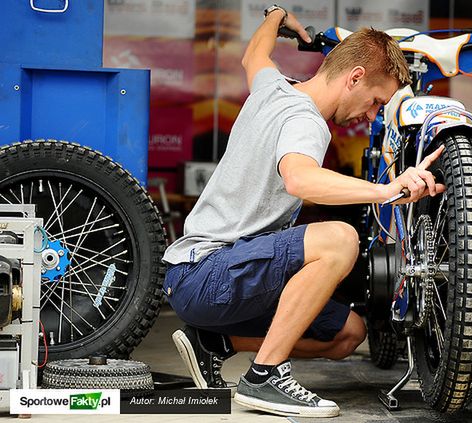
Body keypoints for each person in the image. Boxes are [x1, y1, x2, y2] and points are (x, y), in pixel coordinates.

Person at [161, 5, 445, 418]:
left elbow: (253, 55)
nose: (370, 115)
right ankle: (265, 377)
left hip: (201, 278)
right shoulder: (306, 122)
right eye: (375, 102)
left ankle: (214, 343)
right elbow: (299, 179)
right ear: (355, 77)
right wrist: (386, 191)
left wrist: (277, 16)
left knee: (348, 334)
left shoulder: (273, 86)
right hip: (206, 272)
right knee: (340, 239)